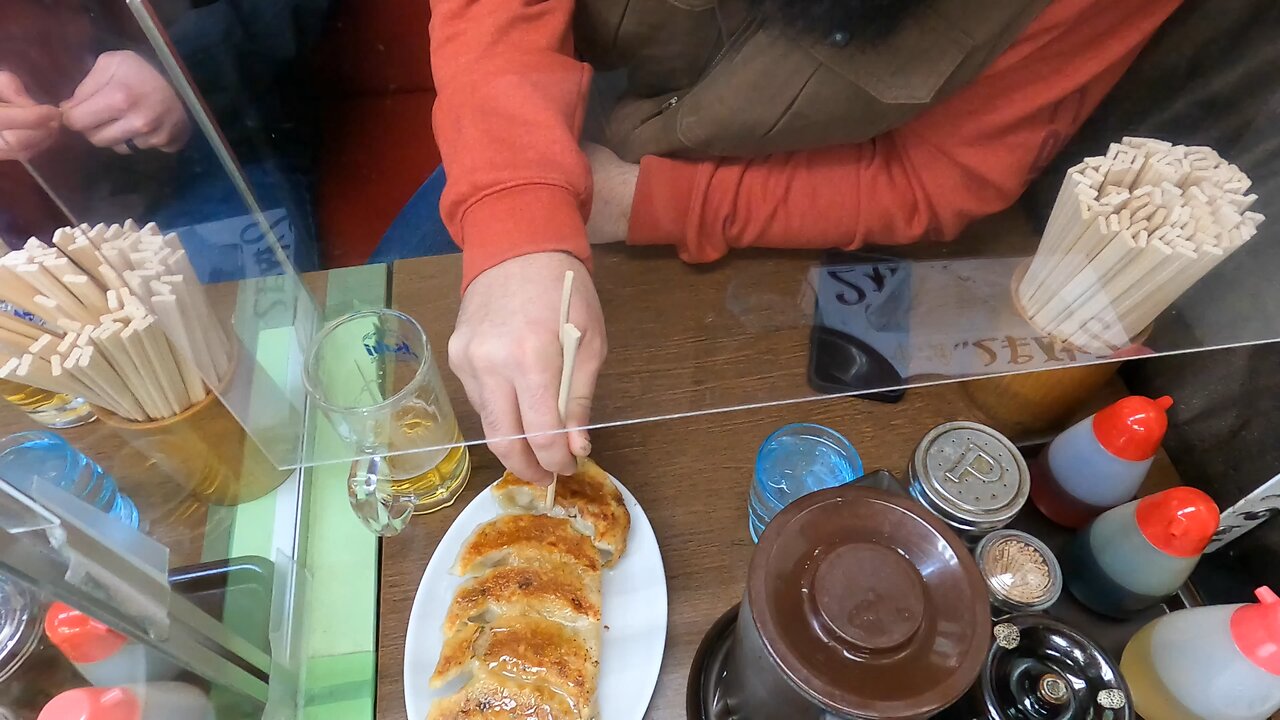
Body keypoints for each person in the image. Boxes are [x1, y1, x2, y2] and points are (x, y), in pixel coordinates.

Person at [429, 0, 1184, 484]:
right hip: (516, 116)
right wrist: (515, 208)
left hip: (773, 201)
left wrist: (647, 202)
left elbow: (938, 174)